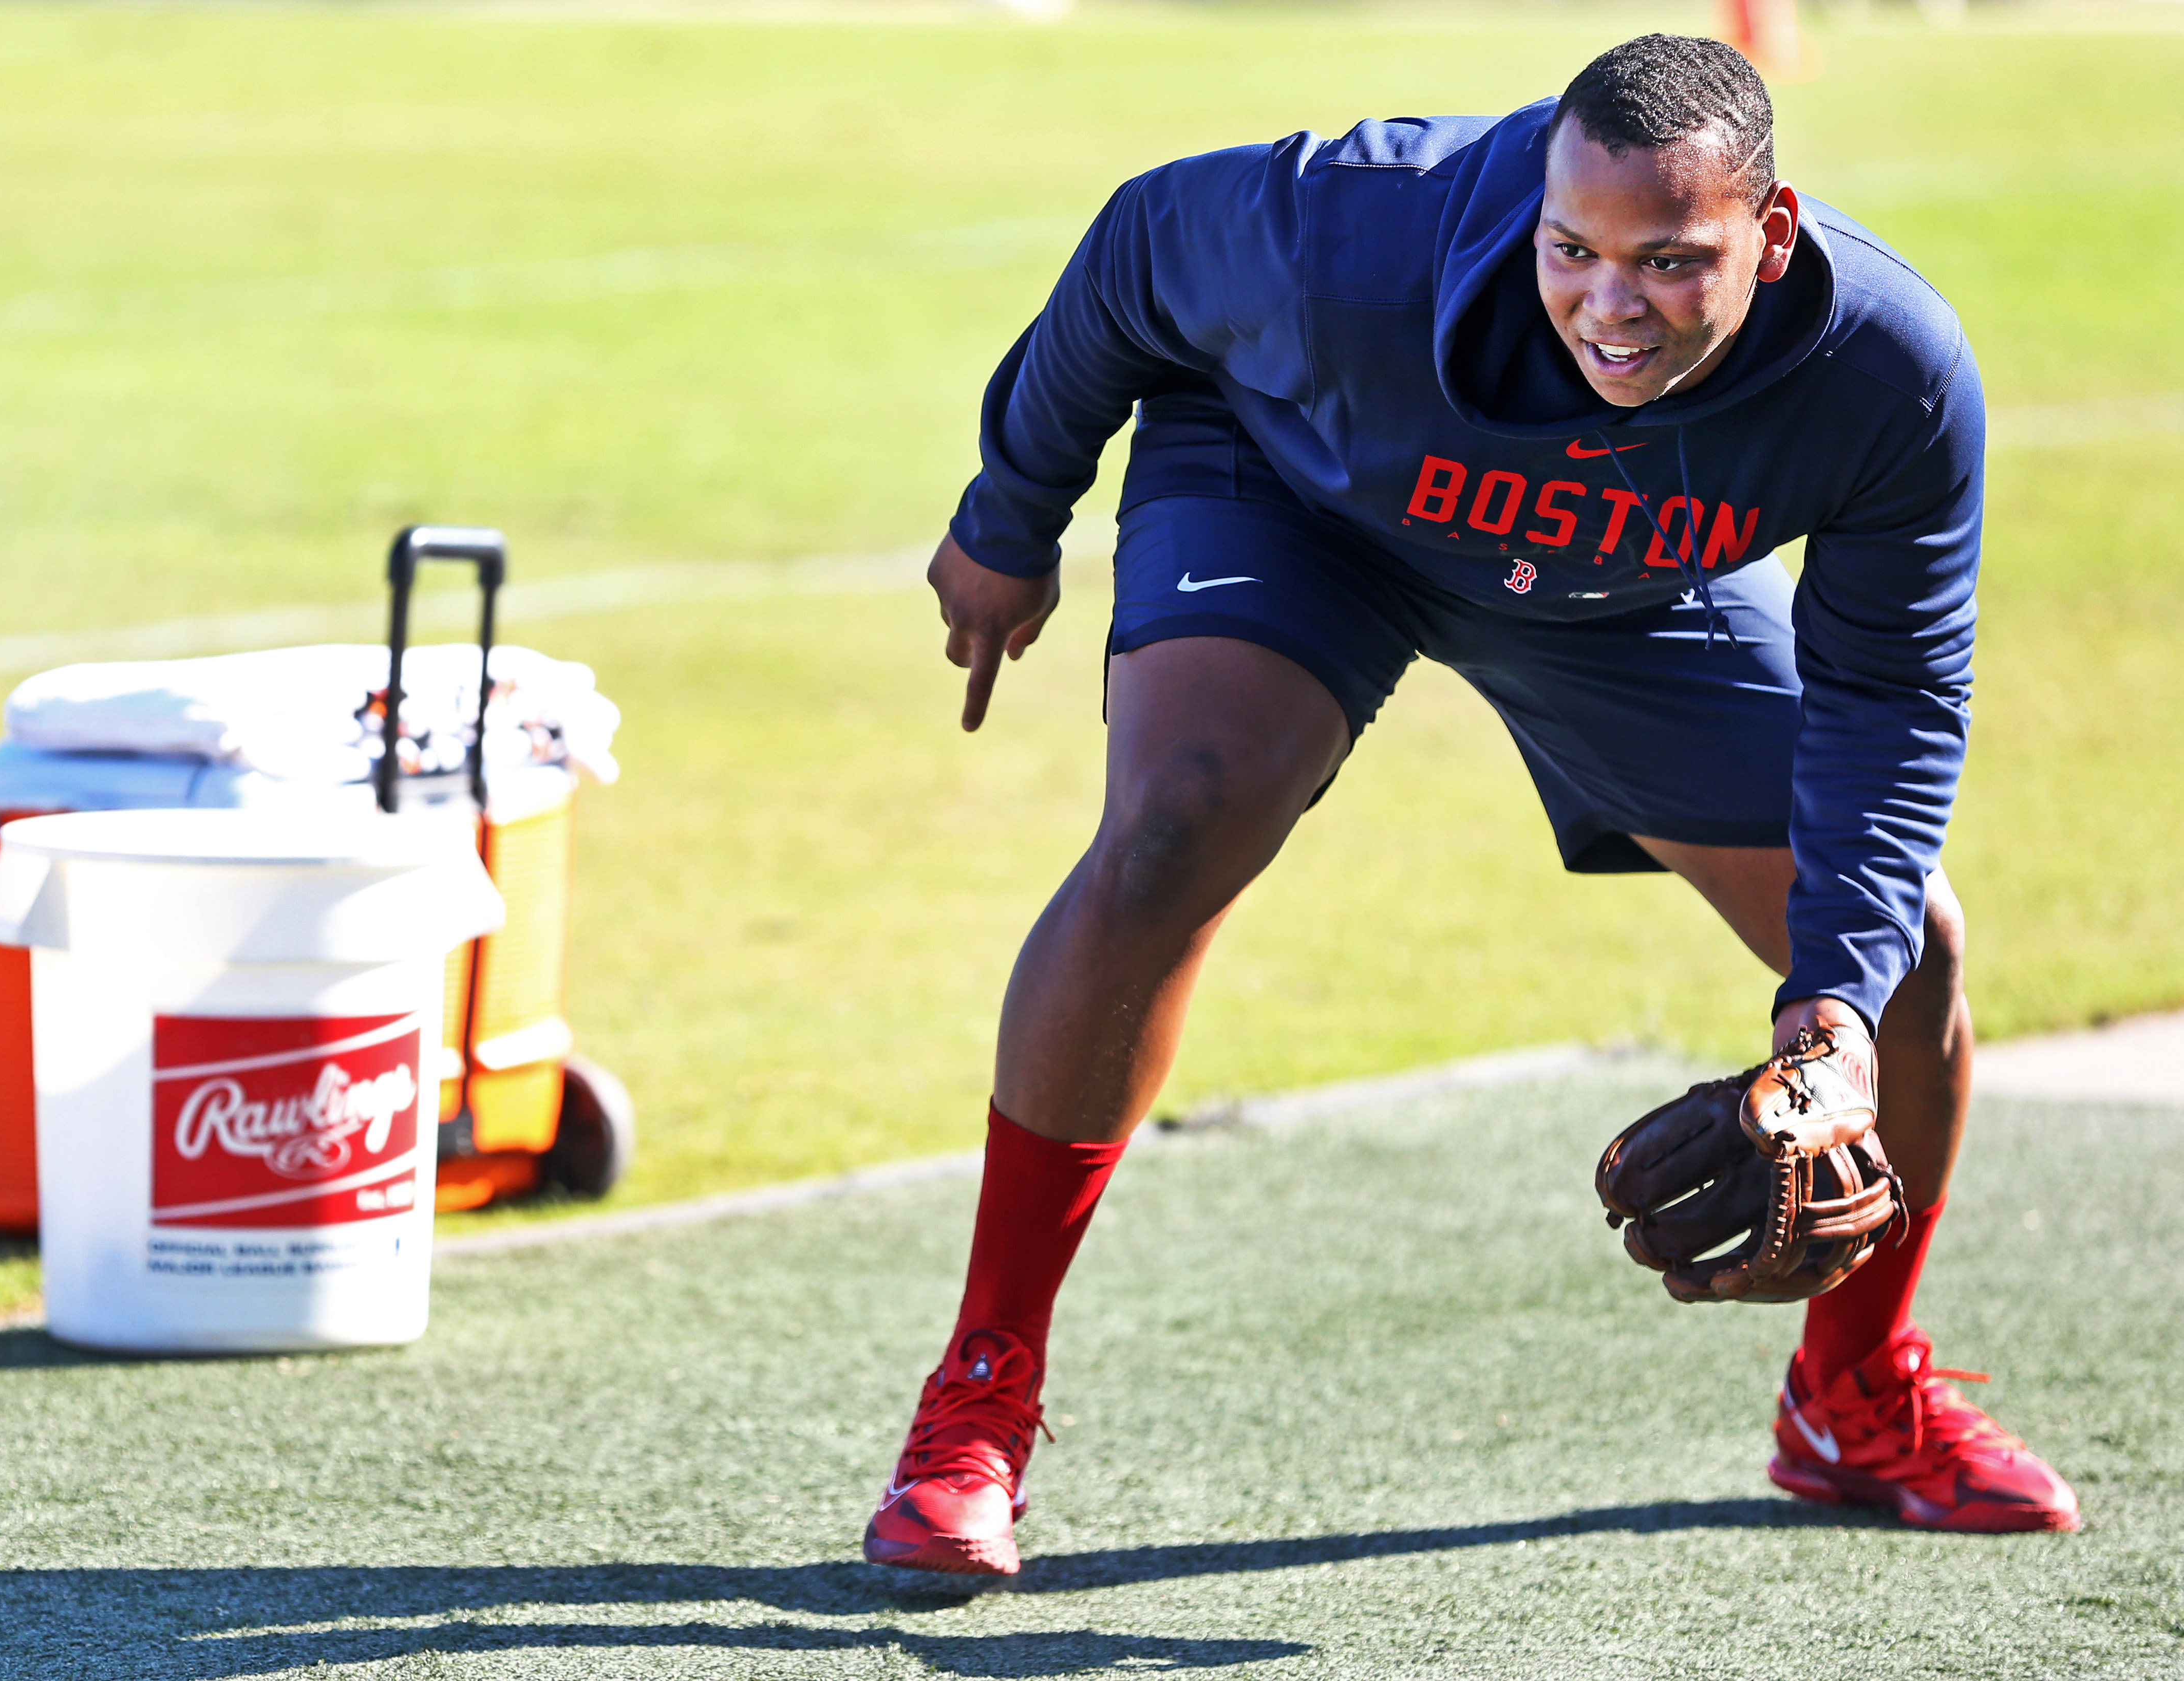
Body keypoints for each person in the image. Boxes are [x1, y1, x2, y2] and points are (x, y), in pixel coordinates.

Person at [863, 34, 2079, 1578]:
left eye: (1670, 262)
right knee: (1178, 820)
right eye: (1573, 250)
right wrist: (1009, 513)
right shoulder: (1348, 240)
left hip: (1623, 582)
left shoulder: (1893, 376)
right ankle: (979, 1397)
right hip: (1294, 495)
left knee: (1916, 957)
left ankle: (1849, 1399)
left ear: (1772, 237)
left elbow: (1890, 702)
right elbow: (1133, 252)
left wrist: (1832, 1015)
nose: (1608, 303)